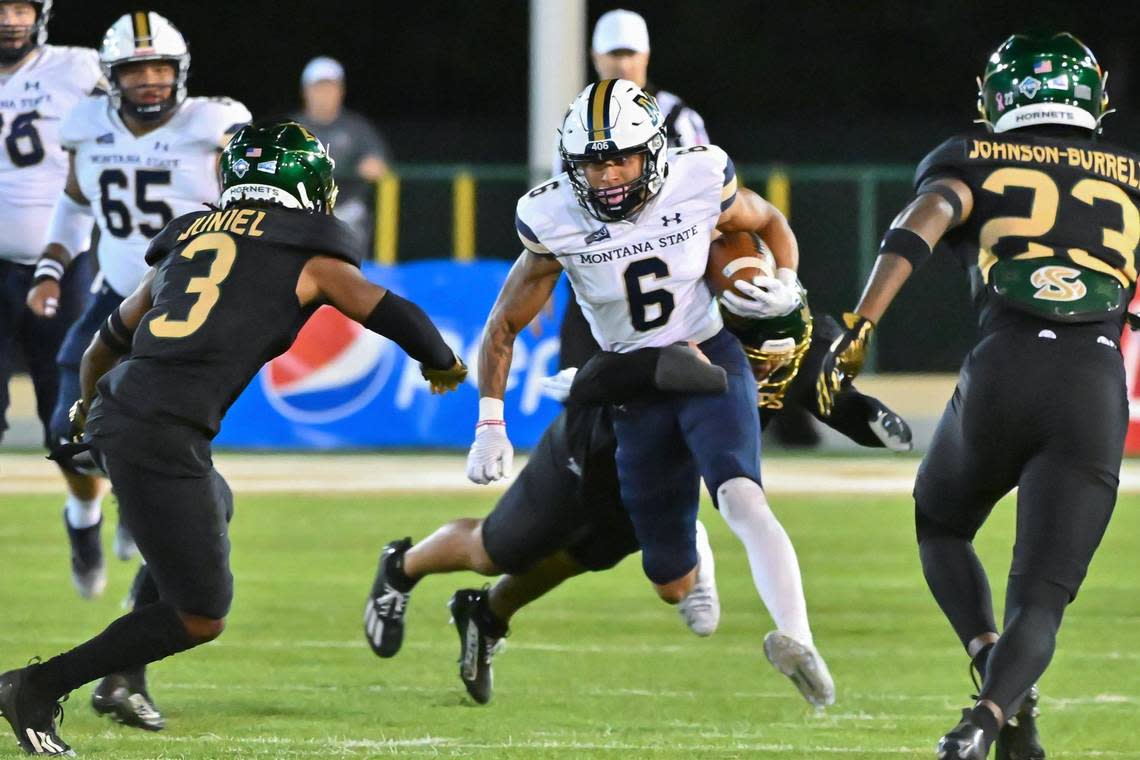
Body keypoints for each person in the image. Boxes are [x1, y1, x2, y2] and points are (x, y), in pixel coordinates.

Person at [0, 120, 468, 757]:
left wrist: (86, 411)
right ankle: (35, 686)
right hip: (158, 427)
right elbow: (394, 312)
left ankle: (123, 673)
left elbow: (105, 341)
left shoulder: (190, 239)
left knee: (214, 503)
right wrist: (441, 362)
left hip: (128, 409)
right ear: (307, 183)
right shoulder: (308, 251)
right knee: (201, 614)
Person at [464, 78, 835, 707]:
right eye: (592, 161)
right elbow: (503, 325)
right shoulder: (553, 216)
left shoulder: (699, 178)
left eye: (620, 158)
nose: (606, 176)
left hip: (707, 356)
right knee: (669, 581)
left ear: (654, 151)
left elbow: (768, 219)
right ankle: (692, 537)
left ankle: (797, 638)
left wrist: (789, 285)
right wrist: (489, 424)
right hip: (634, 386)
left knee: (745, 499)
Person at [815, 32, 1131, 760]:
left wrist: (862, 323)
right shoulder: (1129, 172)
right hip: (1093, 380)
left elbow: (920, 223)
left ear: (999, 98)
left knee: (942, 524)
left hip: (1006, 366)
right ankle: (984, 721)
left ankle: (989, 662)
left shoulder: (973, 155)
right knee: (1043, 600)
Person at [364, 293, 912, 704]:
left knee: (590, 560)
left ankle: (486, 614)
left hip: (656, 477)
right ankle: (403, 565)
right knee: (499, 549)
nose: (767, 371)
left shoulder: (789, 338)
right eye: (757, 358)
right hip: (596, 446)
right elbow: (598, 370)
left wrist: (872, 418)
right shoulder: (680, 342)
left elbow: (829, 392)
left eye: (778, 360)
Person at [25, 11, 251, 601]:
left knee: (161, 438)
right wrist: (51, 265)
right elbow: (74, 202)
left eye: (159, 67)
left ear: (180, 71)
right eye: (135, 69)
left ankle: (145, 545)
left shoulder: (215, 123)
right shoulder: (87, 125)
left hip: (185, 309)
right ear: (112, 76)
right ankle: (85, 521)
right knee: (63, 434)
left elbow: (252, 197)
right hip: (112, 294)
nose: (149, 80)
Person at [555, 8, 709, 372]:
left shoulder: (678, 118)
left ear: (646, 56)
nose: (623, 64)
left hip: (671, 272)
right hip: (597, 273)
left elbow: (708, 199)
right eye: (614, 54)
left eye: (630, 54)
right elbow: (559, 202)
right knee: (582, 395)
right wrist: (542, 276)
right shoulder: (575, 121)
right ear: (596, 58)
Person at [0, 0, 100, 474]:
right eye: (3, 8)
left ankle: (88, 516)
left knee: (67, 409)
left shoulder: (75, 68)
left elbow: (141, 112)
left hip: (62, 261)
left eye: (22, 8)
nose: (12, 20)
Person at [290, 56, 390, 257]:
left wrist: (373, 165)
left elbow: (379, 165)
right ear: (305, 91)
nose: (324, 94)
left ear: (341, 91)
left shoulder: (357, 127)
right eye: (318, 88)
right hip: (300, 211)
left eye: (330, 87)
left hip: (345, 211)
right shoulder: (290, 128)